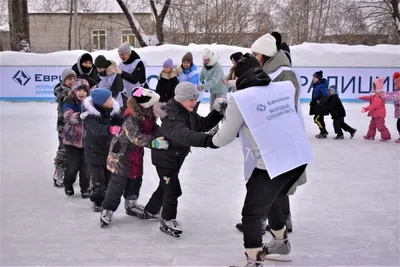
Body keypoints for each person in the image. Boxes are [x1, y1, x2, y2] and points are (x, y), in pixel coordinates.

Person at [207, 54, 312, 264]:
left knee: (252, 214)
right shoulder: (280, 87)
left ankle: (254, 259)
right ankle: (281, 245)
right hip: (298, 159)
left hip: (273, 163)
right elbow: (252, 84)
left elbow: (222, 138)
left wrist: (204, 139)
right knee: (271, 201)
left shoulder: (241, 99)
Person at [140, 82, 225, 237]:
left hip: (175, 157)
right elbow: (185, 135)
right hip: (165, 159)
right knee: (172, 189)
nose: (194, 102)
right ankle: (167, 219)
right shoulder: (172, 117)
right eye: (190, 99)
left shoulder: (187, 111)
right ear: (180, 99)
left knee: (165, 185)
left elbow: (203, 124)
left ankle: (151, 210)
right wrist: (209, 141)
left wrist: (217, 113)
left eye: (195, 99)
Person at [101, 88, 168, 227]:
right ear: (145, 104)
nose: (156, 106)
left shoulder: (148, 114)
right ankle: (107, 209)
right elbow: (135, 137)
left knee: (135, 178)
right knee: (118, 183)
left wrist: (166, 134)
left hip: (135, 153)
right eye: (153, 103)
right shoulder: (131, 117)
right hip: (121, 154)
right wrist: (154, 142)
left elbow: (154, 129)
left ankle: (131, 204)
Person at [81, 89, 123, 212]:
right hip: (93, 151)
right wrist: (110, 129)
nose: (112, 100)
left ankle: (107, 198)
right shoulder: (90, 115)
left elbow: (120, 122)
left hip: (109, 150)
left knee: (109, 177)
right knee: (98, 179)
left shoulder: (113, 112)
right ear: (101, 102)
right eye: (109, 99)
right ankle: (98, 200)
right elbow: (96, 129)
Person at [62, 79, 91, 197]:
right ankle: (68, 184)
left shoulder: (90, 102)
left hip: (86, 141)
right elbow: (68, 116)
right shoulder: (69, 100)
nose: (82, 93)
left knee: (85, 167)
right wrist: (81, 116)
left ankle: (85, 188)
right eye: (79, 90)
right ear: (74, 90)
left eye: (84, 90)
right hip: (71, 141)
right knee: (73, 165)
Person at [53, 69, 77, 187]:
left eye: (74, 79)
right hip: (64, 125)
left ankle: (73, 171)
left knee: (76, 150)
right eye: (69, 79)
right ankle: (59, 171)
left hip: (77, 126)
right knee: (63, 149)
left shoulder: (79, 89)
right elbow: (62, 99)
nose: (72, 81)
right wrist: (72, 94)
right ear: (64, 80)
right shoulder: (60, 90)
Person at [199, 48, 229, 133]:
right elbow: (201, 76)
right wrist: (201, 81)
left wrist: (203, 87)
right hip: (213, 91)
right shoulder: (205, 66)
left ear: (210, 59)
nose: (205, 61)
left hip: (221, 90)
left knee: (221, 109)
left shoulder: (217, 67)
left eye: (206, 60)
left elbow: (214, 81)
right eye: (204, 60)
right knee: (212, 109)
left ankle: (226, 128)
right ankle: (214, 128)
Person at [114, 41, 148, 112]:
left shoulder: (138, 63)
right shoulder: (121, 64)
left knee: (138, 114)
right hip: (126, 94)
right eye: (119, 55)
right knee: (125, 115)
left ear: (128, 53)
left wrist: (121, 73)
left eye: (123, 54)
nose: (121, 57)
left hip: (139, 92)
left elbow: (134, 79)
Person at [358, 77, 391, 142]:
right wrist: (363, 97)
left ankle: (386, 136)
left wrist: (366, 109)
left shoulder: (379, 96)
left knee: (380, 126)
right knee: (372, 126)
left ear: (377, 87)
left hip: (379, 115)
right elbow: (370, 98)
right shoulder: (375, 95)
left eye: (373, 86)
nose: (372, 87)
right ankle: (370, 136)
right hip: (375, 114)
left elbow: (374, 105)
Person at [380, 72, 400, 143]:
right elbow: (392, 93)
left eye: (396, 84)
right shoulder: (398, 91)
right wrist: (383, 93)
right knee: (398, 125)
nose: (395, 86)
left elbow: (393, 97)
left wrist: (382, 95)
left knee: (399, 126)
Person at [309, 71, 330, 138]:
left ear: (318, 78)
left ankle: (324, 131)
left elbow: (326, 95)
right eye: (313, 77)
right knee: (319, 119)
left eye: (315, 77)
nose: (313, 79)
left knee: (317, 119)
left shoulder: (321, 86)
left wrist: (320, 103)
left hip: (320, 107)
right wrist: (312, 102)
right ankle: (323, 132)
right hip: (318, 106)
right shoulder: (316, 85)